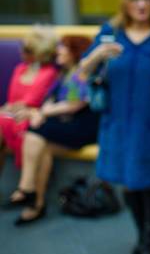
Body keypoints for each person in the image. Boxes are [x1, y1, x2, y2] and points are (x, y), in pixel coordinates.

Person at [79, 0, 150, 254]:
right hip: (118, 121)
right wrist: (100, 53)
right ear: (125, 3)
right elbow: (82, 71)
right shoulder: (110, 33)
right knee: (129, 181)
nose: (141, 4)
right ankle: (142, 234)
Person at [10, 36, 97, 226]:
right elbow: (50, 99)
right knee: (44, 149)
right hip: (65, 124)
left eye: (63, 48)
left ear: (75, 52)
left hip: (84, 126)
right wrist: (40, 111)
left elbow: (75, 104)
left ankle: (26, 189)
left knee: (36, 129)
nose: (58, 51)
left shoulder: (81, 73)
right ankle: (36, 204)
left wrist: (42, 113)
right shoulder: (63, 73)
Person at [0, 29, 58, 179]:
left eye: (27, 50)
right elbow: (12, 100)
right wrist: (9, 107)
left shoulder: (49, 73)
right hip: (12, 114)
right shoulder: (19, 69)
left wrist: (18, 108)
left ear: (39, 53)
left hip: (31, 117)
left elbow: (37, 102)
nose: (22, 53)